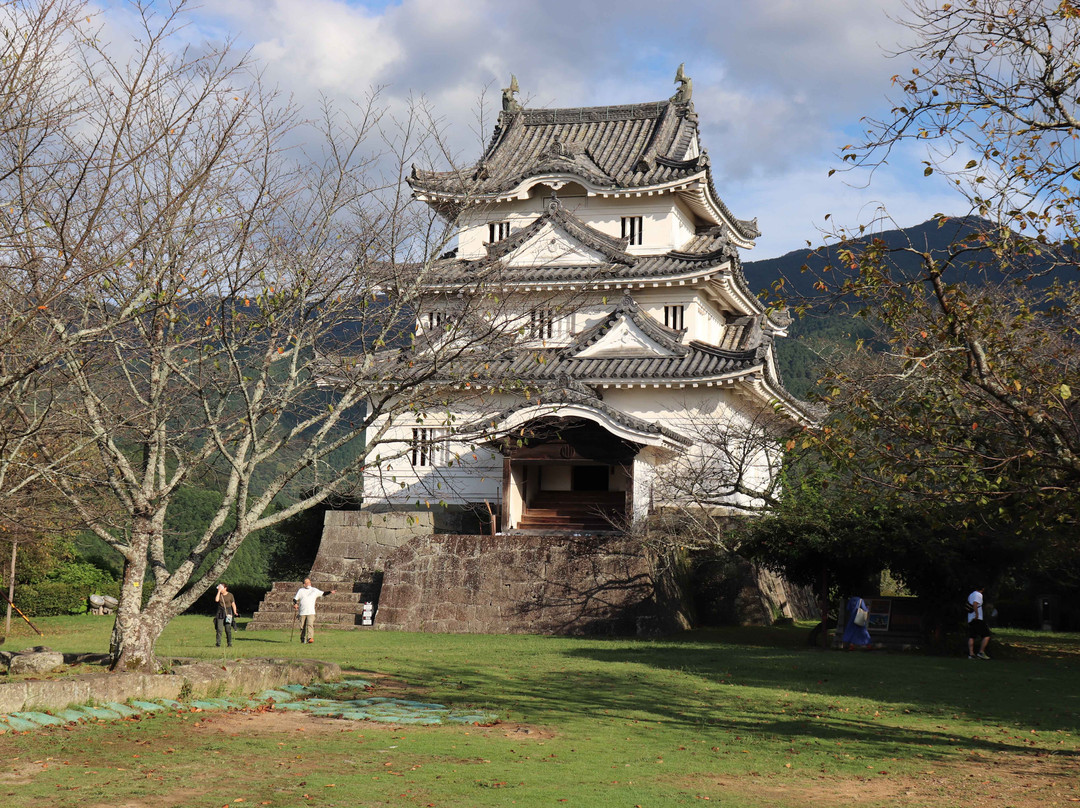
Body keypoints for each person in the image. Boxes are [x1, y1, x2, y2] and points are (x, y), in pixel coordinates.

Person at [293, 578, 336, 644]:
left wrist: (330, 592)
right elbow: (295, 599)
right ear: (304, 584)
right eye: (306, 583)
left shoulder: (314, 590)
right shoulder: (301, 590)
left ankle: (310, 638)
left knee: (310, 624)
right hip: (302, 612)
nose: (308, 584)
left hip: (311, 612)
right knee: (302, 627)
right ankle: (302, 639)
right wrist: (295, 604)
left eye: (309, 582)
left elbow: (323, 593)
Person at [967, 586, 991, 659]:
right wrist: (977, 614)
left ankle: (971, 654)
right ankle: (981, 652)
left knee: (972, 636)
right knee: (987, 634)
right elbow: (975, 604)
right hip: (977, 618)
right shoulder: (978, 594)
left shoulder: (971, 594)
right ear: (983, 589)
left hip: (970, 618)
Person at [214, 583, 239, 648]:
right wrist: (219, 591)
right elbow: (216, 600)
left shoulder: (230, 595)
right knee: (219, 629)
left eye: (221, 588)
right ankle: (218, 643)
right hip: (220, 613)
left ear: (225, 588)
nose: (220, 590)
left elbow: (233, 604)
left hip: (228, 613)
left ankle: (229, 643)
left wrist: (235, 612)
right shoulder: (219, 594)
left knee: (228, 629)